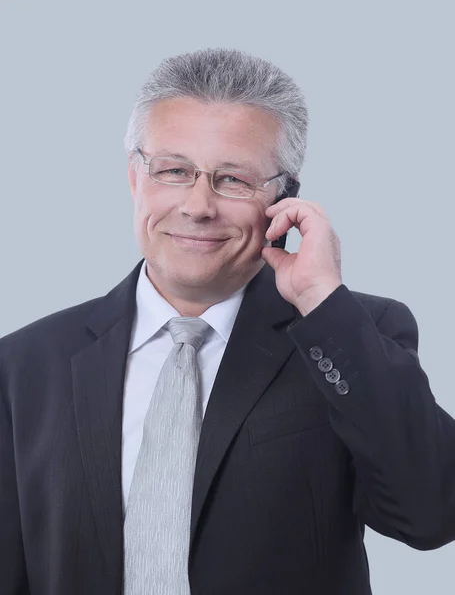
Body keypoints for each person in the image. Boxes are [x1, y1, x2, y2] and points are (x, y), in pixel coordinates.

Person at [1, 47, 455, 595]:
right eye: (173, 171)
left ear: (284, 198)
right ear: (133, 179)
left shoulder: (349, 335)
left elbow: (430, 514)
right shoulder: (26, 362)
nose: (197, 205)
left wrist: (321, 299)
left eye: (232, 180)